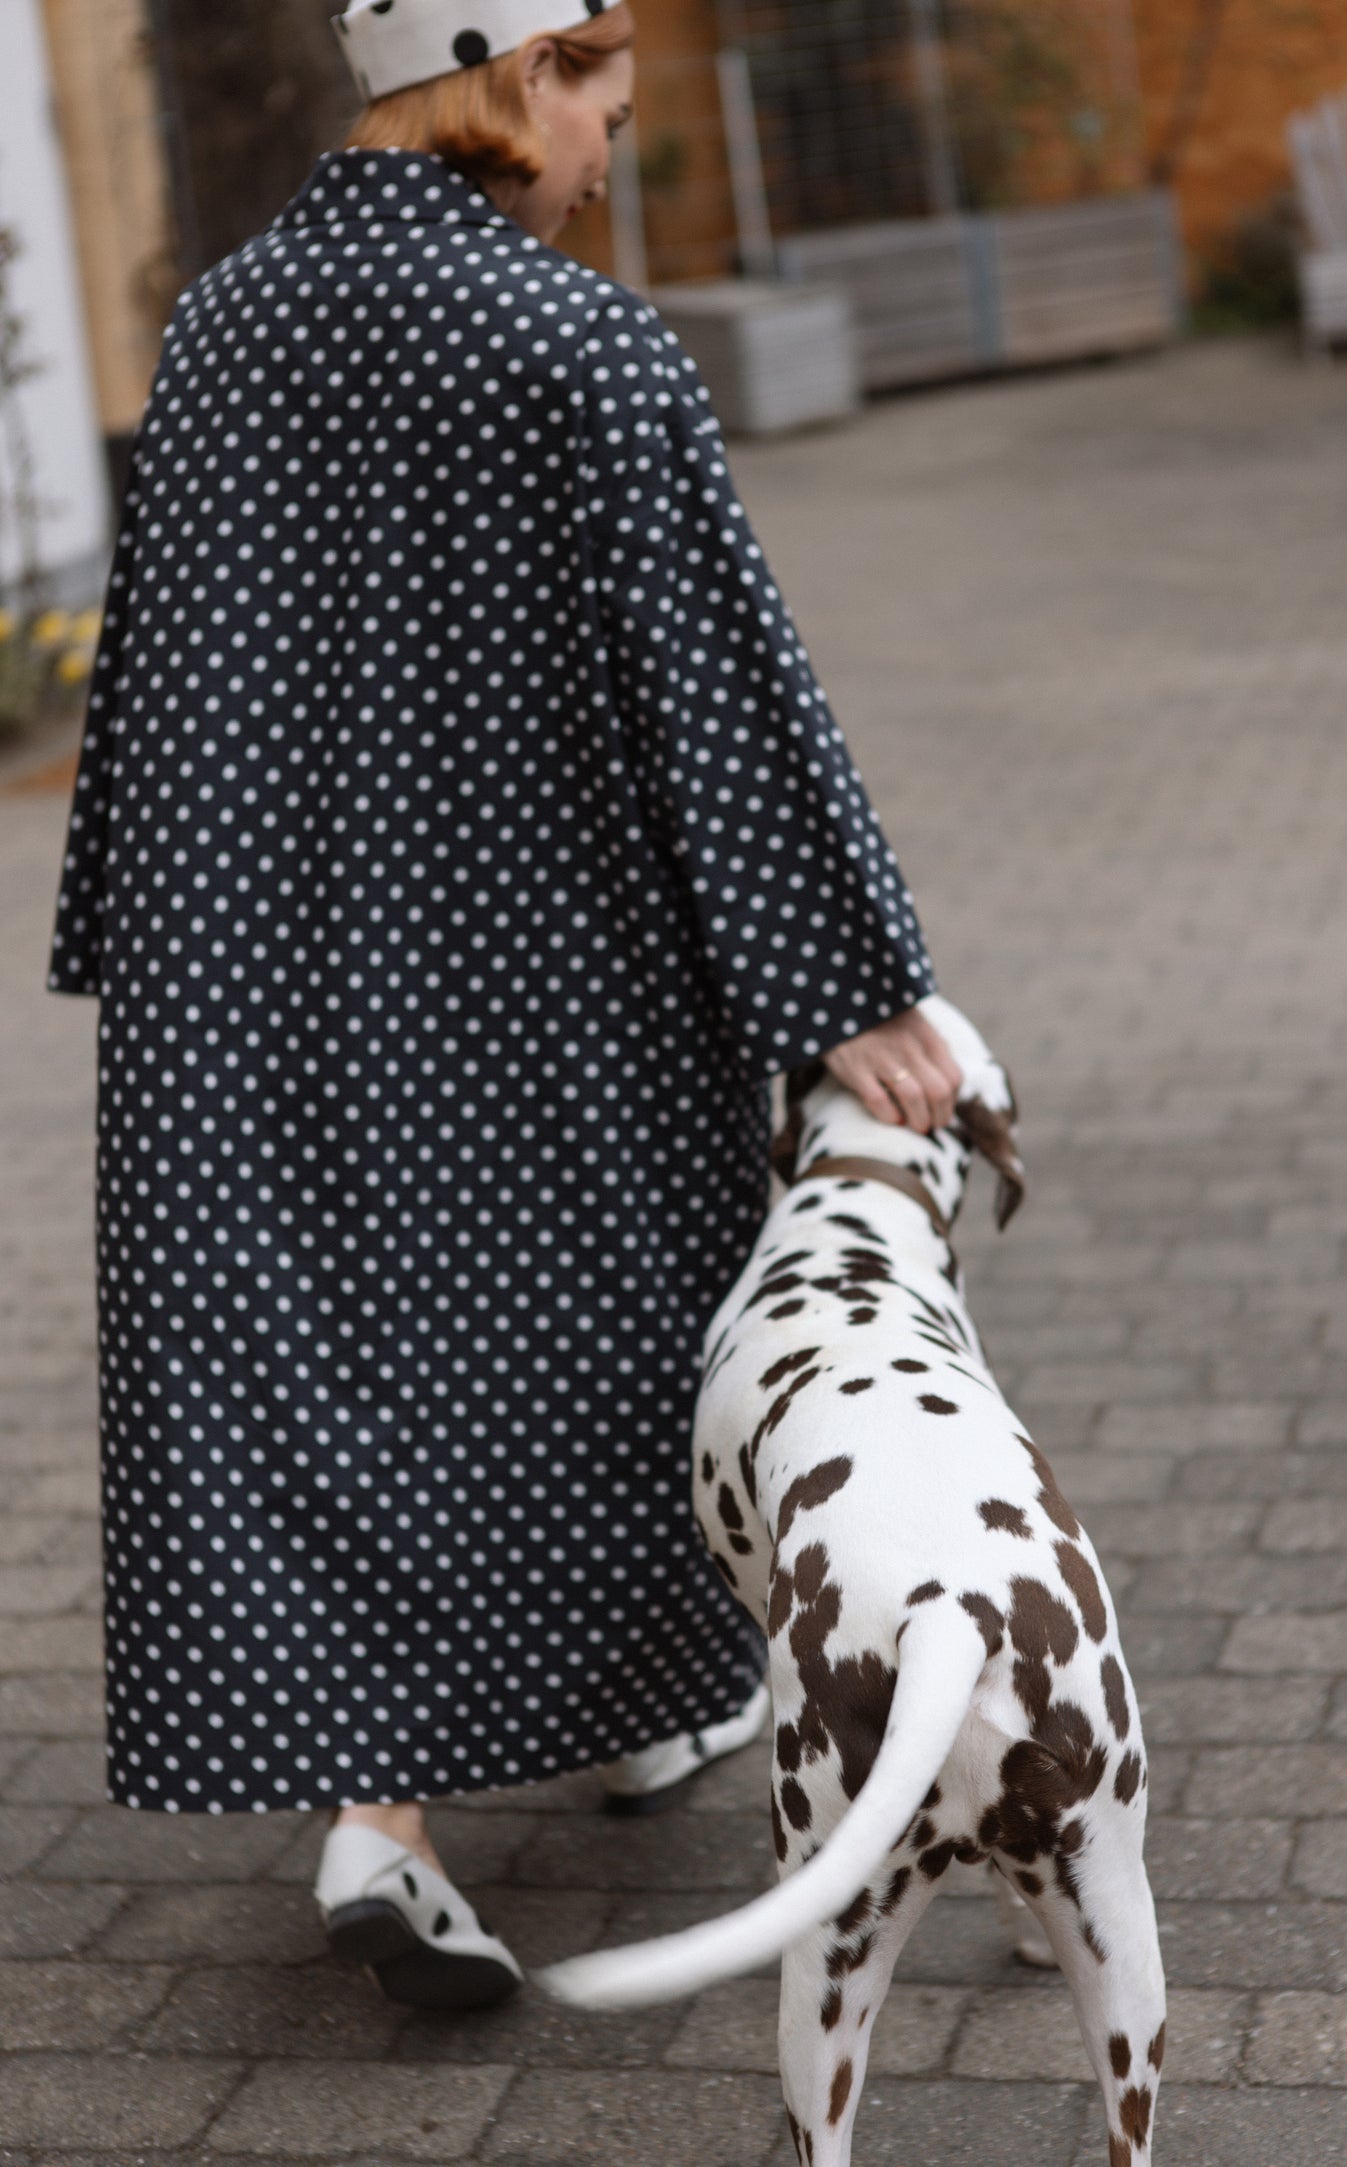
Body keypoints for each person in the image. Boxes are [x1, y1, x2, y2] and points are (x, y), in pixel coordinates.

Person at [48, 0, 962, 2008]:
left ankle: (387, 1816)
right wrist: (854, 988)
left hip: (260, 969)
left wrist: (130, 931)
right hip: (537, 964)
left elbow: (151, 664)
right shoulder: (577, 344)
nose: (605, 160)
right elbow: (716, 690)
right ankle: (626, 1704)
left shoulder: (215, 329)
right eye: (604, 113)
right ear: (515, 74)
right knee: (621, 1318)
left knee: (323, 1368)